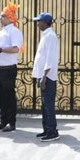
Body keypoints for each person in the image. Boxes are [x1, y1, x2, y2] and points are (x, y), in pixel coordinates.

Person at [0, 3, 23, 133]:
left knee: (9, 96)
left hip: (8, 69)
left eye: (2, 16)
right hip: (0, 69)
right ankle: (3, 120)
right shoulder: (2, 31)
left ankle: (11, 122)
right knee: (2, 97)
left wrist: (0, 49)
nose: (0, 18)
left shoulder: (14, 31)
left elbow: (15, 49)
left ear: (9, 17)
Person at [31, 12, 60, 142]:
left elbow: (50, 58)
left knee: (48, 105)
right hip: (43, 75)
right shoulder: (46, 35)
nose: (38, 24)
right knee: (44, 105)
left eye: (40, 21)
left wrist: (44, 77)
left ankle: (52, 131)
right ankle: (46, 129)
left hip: (48, 76)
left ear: (45, 22)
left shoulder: (51, 36)